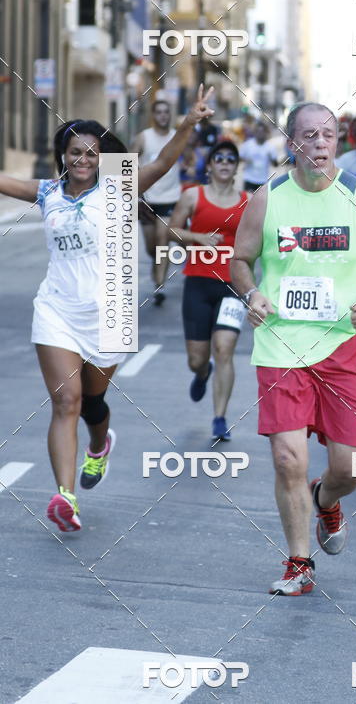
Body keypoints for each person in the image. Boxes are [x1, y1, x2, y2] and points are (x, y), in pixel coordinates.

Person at [0, 87, 215, 532]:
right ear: (62, 155)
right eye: (75, 152)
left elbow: (161, 163)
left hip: (109, 313)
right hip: (57, 310)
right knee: (66, 401)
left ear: (102, 157)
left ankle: (100, 447)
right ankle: (64, 497)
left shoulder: (118, 188)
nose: (83, 160)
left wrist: (188, 123)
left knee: (93, 402)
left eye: (92, 153)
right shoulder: (47, 193)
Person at [231, 102, 356, 595]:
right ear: (293, 144)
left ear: (337, 141)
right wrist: (252, 293)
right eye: (309, 135)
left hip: (344, 347)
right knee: (289, 459)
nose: (321, 143)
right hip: (282, 345)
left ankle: (326, 499)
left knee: (351, 468)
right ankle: (298, 564)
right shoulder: (266, 199)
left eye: (328, 134)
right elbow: (240, 260)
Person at [168, 140, 248, 440]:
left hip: (233, 286)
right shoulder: (192, 196)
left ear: (236, 166)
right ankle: (203, 374)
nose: (225, 163)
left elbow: (258, 239)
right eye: (219, 158)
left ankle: (220, 418)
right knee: (197, 359)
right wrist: (198, 237)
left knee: (224, 349)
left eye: (231, 158)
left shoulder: (248, 201)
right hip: (198, 283)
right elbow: (172, 230)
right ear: (210, 165)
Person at [132, 99, 183, 306]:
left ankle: (159, 285)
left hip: (171, 198)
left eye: (166, 112)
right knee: (151, 247)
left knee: (163, 240)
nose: (163, 115)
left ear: (170, 115)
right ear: (153, 115)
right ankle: (157, 268)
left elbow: (188, 158)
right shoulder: (143, 137)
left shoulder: (176, 137)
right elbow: (128, 161)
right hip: (146, 200)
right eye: (159, 112)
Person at [239, 121, 279, 192]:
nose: (260, 133)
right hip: (249, 179)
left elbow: (275, 164)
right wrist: (245, 160)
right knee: (249, 202)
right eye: (258, 131)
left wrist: (271, 159)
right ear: (254, 132)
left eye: (262, 131)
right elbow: (239, 158)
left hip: (263, 181)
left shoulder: (270, 147)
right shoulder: (247, 145)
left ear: (266, 133)